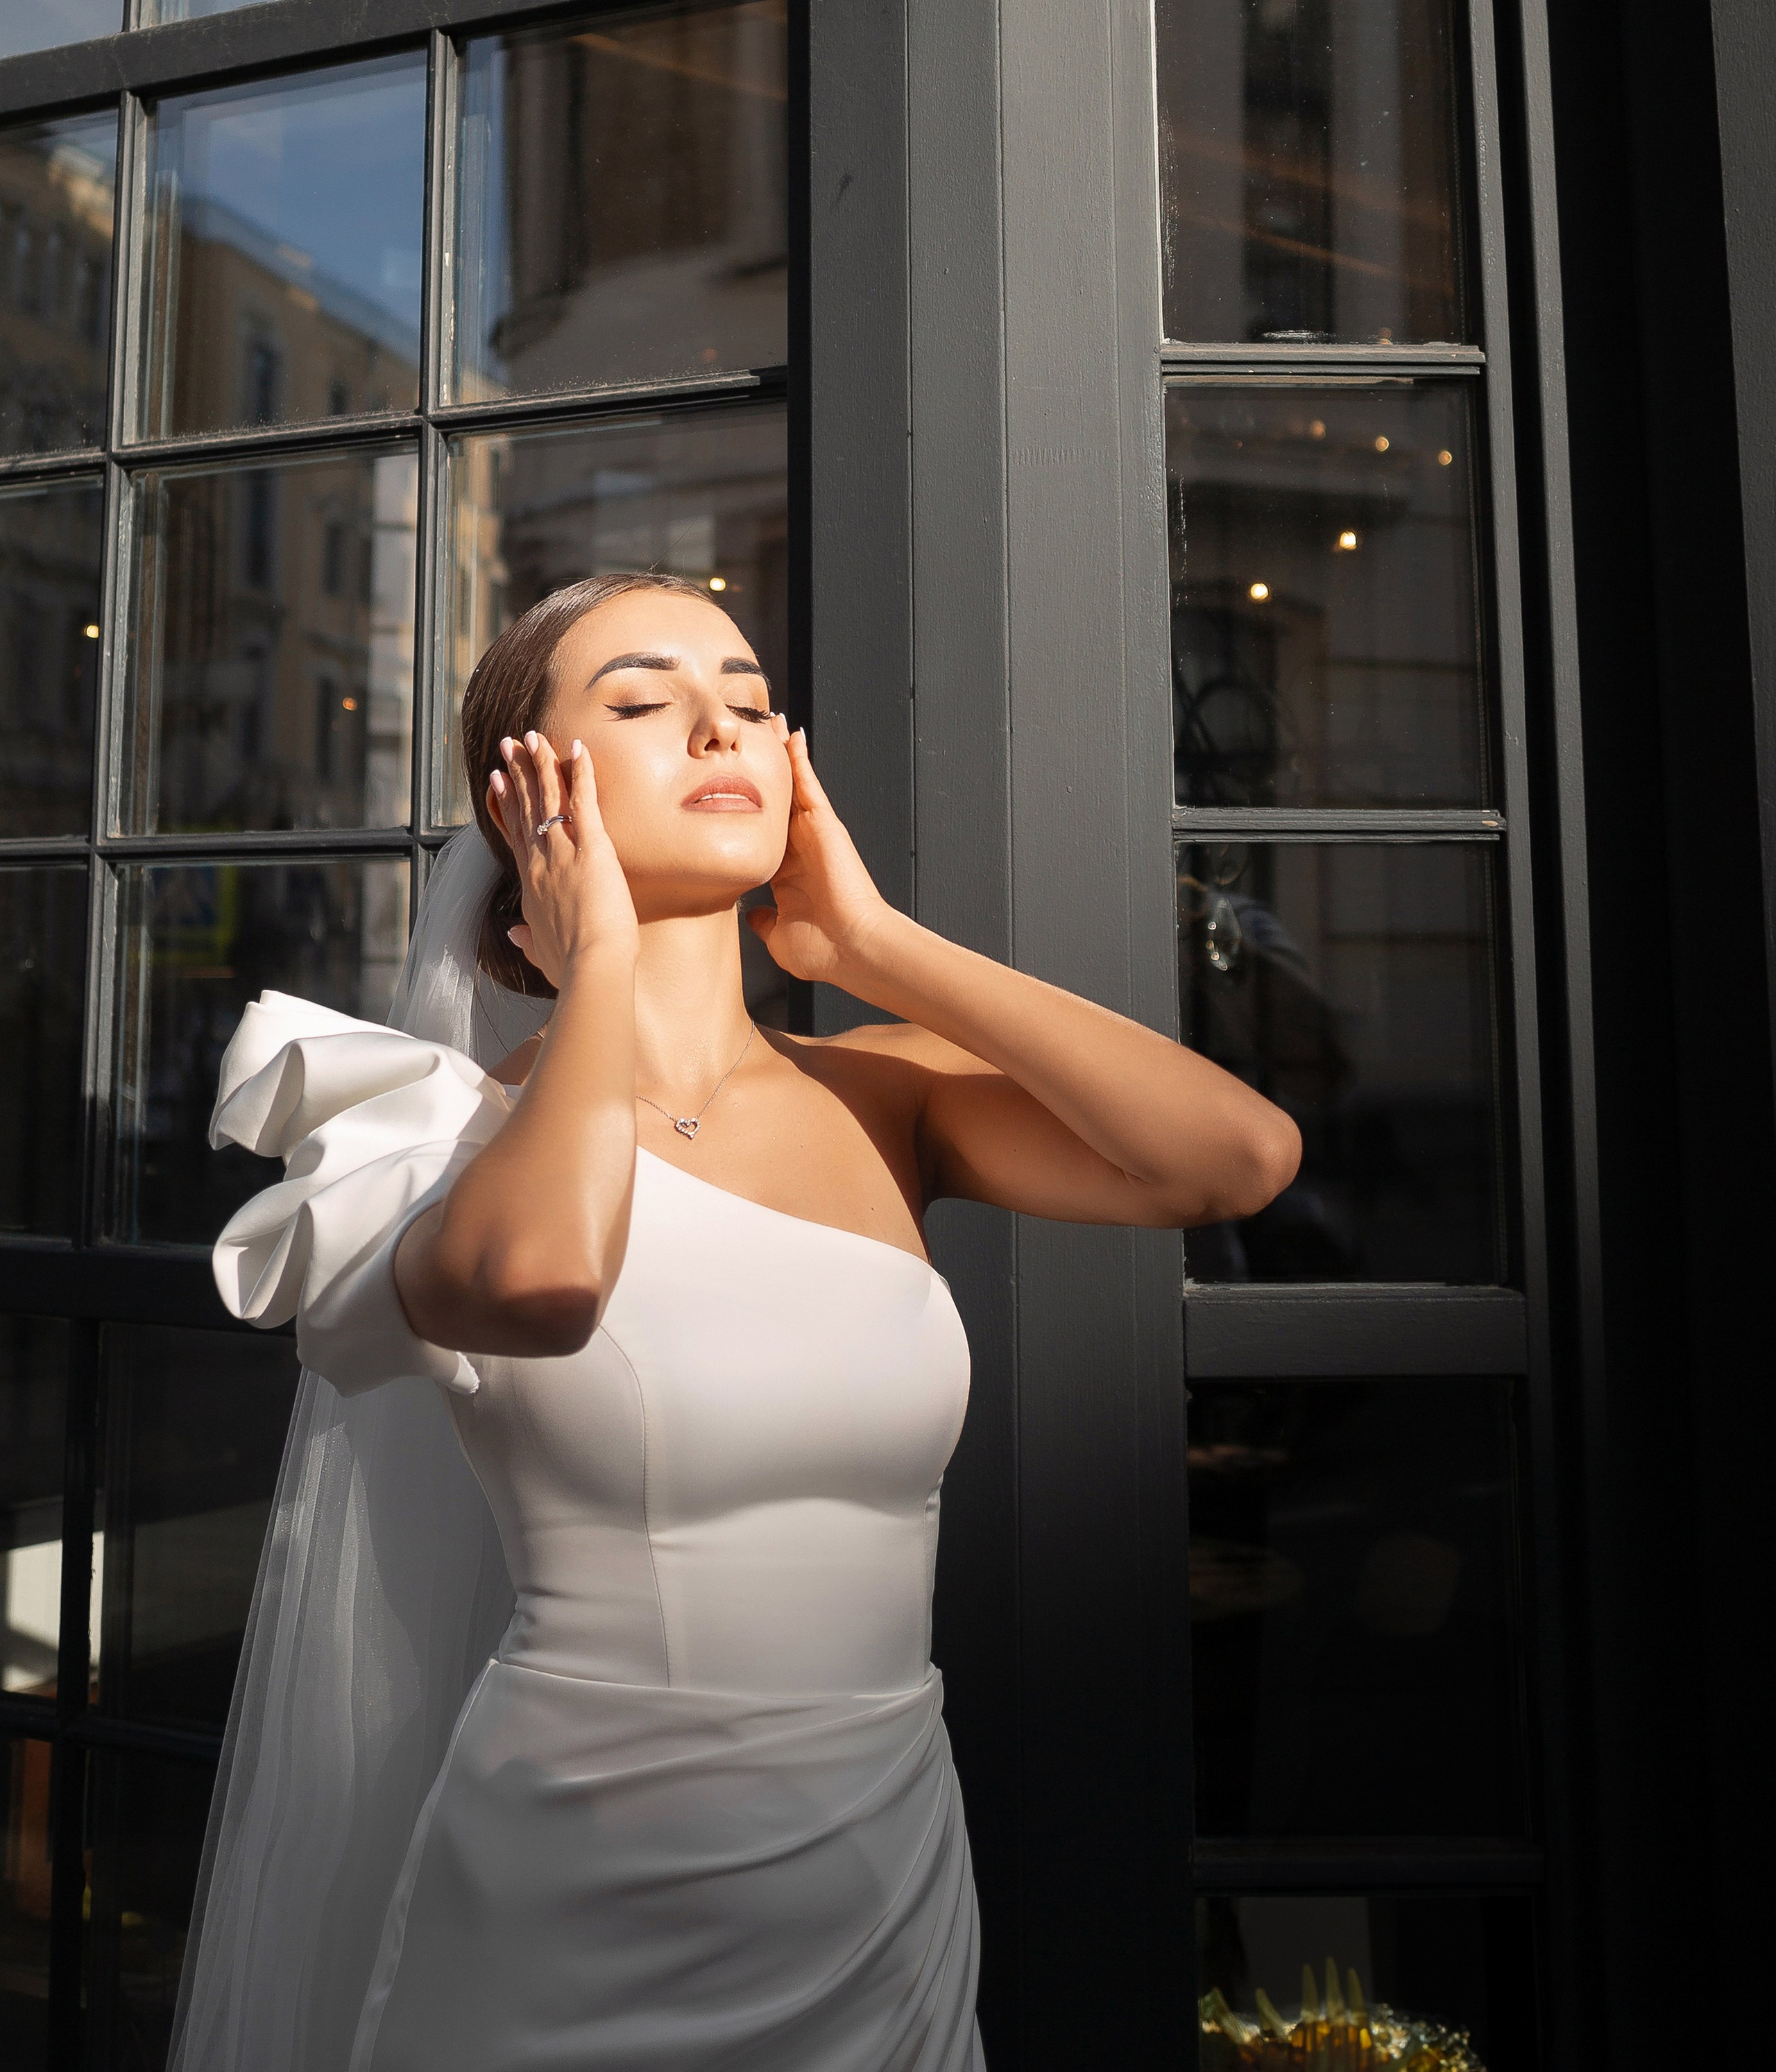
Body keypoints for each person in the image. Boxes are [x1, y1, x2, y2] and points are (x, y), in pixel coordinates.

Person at [171, 572, 1299, 2072]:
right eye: (640, 703)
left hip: (882, 1868)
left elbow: (1233, 1159)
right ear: (526, 804)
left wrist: (874, 947)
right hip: (580, 1892)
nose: (720, 724)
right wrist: (603, 977)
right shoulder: (431, 1143)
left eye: (754, 705)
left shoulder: (884, 1093)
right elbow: (545, 1284)